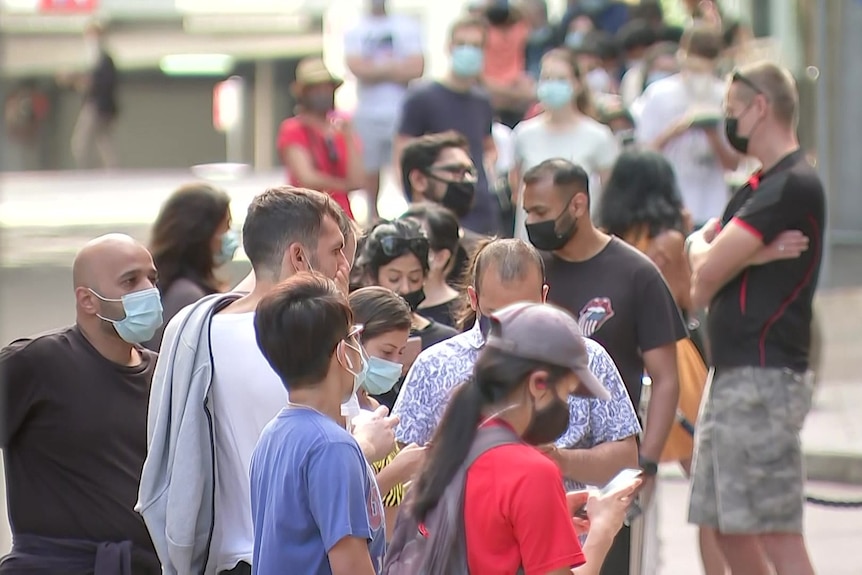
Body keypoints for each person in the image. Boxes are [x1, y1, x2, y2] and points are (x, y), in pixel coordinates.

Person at [137, 187, 397, 575]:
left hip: (223, 560)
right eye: (336, 250)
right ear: (298, 256)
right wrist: (367, 443)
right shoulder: (303, 345)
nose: (345, 265)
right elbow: (331, 450)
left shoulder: (197, 330)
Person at [686, 62, 825, 575]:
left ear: (760, 107)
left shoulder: (792, 186)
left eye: (731, 111)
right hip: (733, 376)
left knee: (773, 529)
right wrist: (752, 254)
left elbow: (707, 265)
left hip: (765, 378)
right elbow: (696, 263)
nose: (728, 123)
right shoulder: (756, 187)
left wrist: (723, 253)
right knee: (723, 526)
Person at [522, 159, 686, 575]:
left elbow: (666, 377)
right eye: (526, 212)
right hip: (534, 471)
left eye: (540, 212)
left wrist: (645, 464)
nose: (531, 222)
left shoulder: (636, 273)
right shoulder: (532, 269)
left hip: (608, 470)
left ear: (578, 204)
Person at [405, 302, 639, 574]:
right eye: (565, 393)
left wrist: (550, 515)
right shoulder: (532, 472)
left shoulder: (454, 446)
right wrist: (602, 531)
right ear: (539, 384)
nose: (565, 406)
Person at [393, 238, 641, 490]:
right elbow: (399, 463)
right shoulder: (434, 366)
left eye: (523, 312)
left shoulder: (588, 359)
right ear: (473, 299)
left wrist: (561, 460)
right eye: (496, 316)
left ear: (543, 297)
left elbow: (627, 459)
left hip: (563, 525)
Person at [599, 150, 728, 575]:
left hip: (626, 359)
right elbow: (688, 299)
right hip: (674, 357)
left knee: (629, 487)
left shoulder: (609, 237)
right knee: (708, 488)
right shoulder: (670, 239)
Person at [0, 234, 161, 574]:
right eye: (130, 281)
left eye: (152, 278)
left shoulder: (165, 373)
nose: (148, 290)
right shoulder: (37, 363)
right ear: (88, 300)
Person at [250, 274, 386, 575]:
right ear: (342, 352)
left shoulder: (273, 434)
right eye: (354, 338)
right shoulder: (333, 447)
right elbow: (351, 567)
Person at [394, 16, 500, 236]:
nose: (468, 51)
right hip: (438, 209)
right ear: (449, 46)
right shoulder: (422, 97)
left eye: (475, 46)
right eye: (462, 44)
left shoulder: (482, 100)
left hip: (481, 209)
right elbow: (402, 155)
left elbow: (488, 145)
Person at [634, 23, 739, 229]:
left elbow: (733, 164)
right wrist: (676, 129)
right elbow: (643, 153)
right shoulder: (659, 95)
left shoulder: (724, 96)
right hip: (668, 205)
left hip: (712, 207)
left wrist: (712, 134)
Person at [511, 48, 618, 241]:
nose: (553, 85)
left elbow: (610, 197)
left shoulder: (598, 136)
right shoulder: (523, 134)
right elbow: (516, 189)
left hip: (579, 243)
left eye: (561, 79)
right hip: (530, 246)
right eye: (547, 78)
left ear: (577, 84)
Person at [347, 286, 428, 540]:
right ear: (355, 341)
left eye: (400, 353)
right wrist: (398, 471)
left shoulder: (373, 406)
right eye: (386, 351)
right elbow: (344, 506)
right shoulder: (338, 414)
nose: (394, 362)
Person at [353, 220, 458, 405]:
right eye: (394, 278)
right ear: (371, 276)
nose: (405, 287)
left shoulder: (447, 340)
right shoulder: (350, 333)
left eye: (414, 278)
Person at [344, 0, 425, 220]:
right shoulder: (355, 28)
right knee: (370, 168)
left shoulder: (407, 26)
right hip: (368, 112)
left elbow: (417, 67)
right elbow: (356, 67)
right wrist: (395, 67)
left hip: (402, 111)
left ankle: (415, 212)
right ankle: (373, 216)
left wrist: (375, 68)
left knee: (405, 164)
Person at [144, 182, 237, 351]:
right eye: (226, 227)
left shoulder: (167, 286)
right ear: (202, 233)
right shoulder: (187, 297)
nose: (230, 236)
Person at [277, 57, 364, 219]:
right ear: (303, 93)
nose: (323, 93)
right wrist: (343, 185)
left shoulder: (342, 128)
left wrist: (349, 137)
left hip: (343, 216)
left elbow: (358, 180)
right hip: (308, 216)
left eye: (326, 88)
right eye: (316, 89)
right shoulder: (293, 129)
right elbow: (307, 179)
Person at [399, 131, 487, 285]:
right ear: (419, 179)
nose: (466, 180)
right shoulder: (387, 245)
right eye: (456, 171)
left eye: (469, 173)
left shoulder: (481, 252)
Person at [400, 203, 462, 328]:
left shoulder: (461, 313)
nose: (403, 253)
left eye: (416, 245)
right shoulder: (387, 306)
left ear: (441, 258)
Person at [70, 20, 118, 170]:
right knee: (101, 140)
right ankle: (110, 169)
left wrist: (80, 79)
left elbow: (101, 83)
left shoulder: (104, 60)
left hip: (97, 106)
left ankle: (88, 172)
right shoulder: (93, 59)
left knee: (80, 142)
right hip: (97, 105)